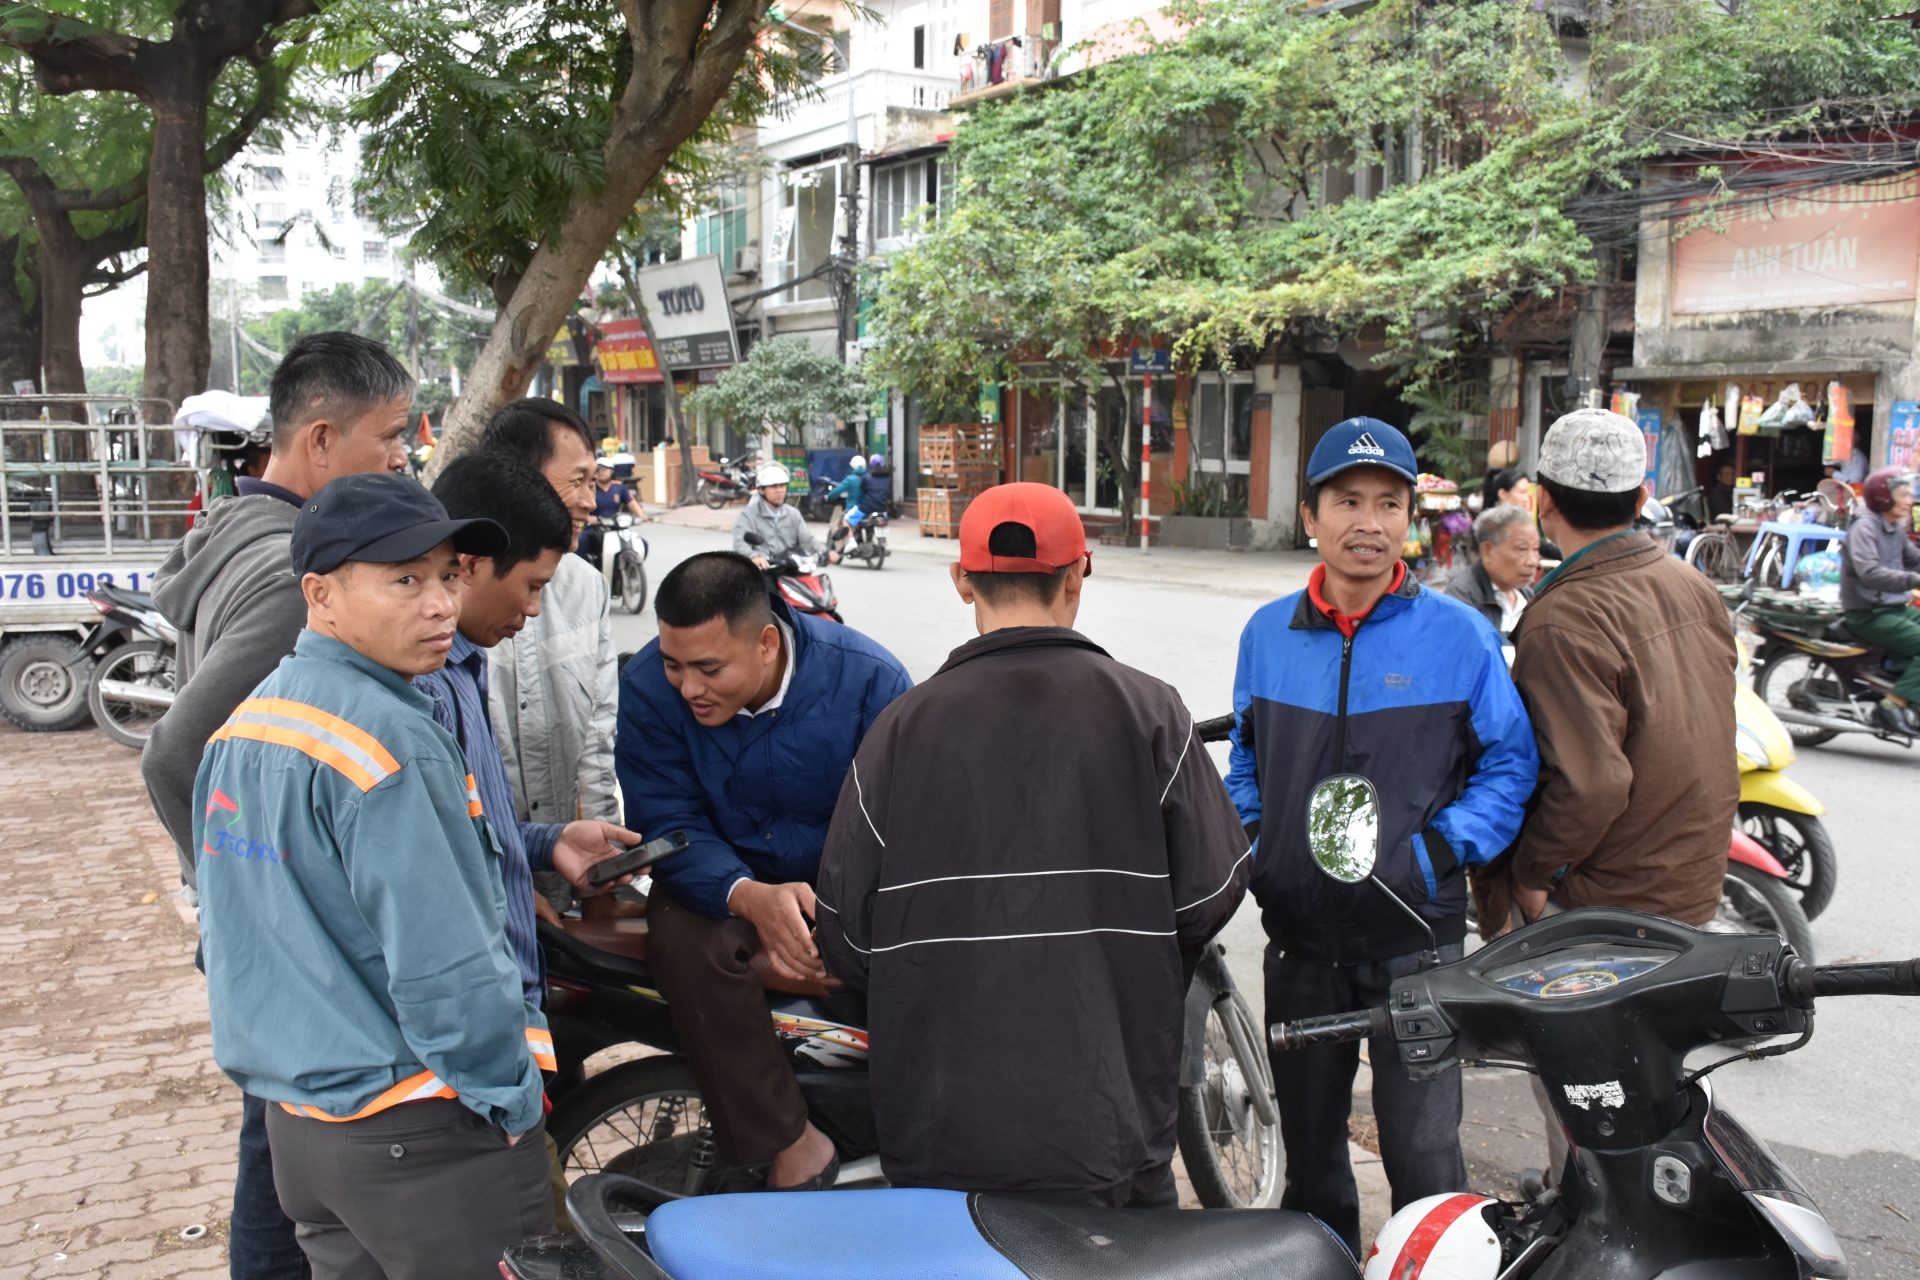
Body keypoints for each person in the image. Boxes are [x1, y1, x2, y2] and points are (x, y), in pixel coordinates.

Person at [816, 484, 1251, 1206]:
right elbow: (1212, 890)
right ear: (1079, 571)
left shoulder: (901, 728)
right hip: (1107, 1116)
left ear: (962, 579)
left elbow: (848, 933)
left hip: (943, 1124)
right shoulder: (1149, 711)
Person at [194, 473, 553, 1278]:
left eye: (446, 575)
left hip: (303, 1136)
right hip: (417, 1135)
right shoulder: (391, 741)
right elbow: (449, 969)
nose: (440, 605)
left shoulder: (247, 726)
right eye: (404, 580)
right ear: (319, 594)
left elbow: (228, 940)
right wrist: (513, 1100)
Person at [1226, 417, 1538, 1257]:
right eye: (1348, 501)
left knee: (1426, 1161)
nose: (1369, 521)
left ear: (1411, 519)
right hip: (1300, 947)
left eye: (1390, 503)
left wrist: (1437, 852)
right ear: (1310, 517)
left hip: (1416, 945)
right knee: (1315, 1162)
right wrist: (1261, 844)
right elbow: (1247, 761)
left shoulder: (1459, 636)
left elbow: (1510, 766)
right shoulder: (1266, 635)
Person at [143, 331, 413, 1280]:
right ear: (324, 440)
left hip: (271, 927)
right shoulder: (293, 571)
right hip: (287, 934)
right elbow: (181, 753)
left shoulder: (239, 528)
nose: (402, 458)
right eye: (392, 437)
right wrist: (245, 897)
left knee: (282, 1146)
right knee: (284, 1159)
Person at [1471, 408, 1738, 1194]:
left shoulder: (1564, 616)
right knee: (1649, 1073)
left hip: (1604, 901)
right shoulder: (1693, 585)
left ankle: (1591, 1215)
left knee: (1579, 1080)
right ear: (1644, 495)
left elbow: (1591, 783)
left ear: (1543, 503)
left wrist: (1534, 878)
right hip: (1685, 881)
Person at [616, 552, 911, 1189]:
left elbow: (908, 827)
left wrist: (835, 934)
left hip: (845, 898)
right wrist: (747, 897)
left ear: (767, 643)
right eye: (674, 664)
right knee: (685, 941)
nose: (688, 687)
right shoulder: (647, 689)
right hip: (714, 891)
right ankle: (790, 1143)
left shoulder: (869, 680)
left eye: (708, 668)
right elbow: (666, 824)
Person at [416, 453, 641, 1012]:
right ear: (468, 565)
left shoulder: (464, 665)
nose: (537, 610)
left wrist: (544, 844)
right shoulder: (421, 693)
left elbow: (475, 828)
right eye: (532, 586)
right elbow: (434, 878)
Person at [476, 401, 622, 913]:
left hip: (565, 880)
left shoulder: (588, 588)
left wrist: (606, 871)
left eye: (592, 483)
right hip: (480, 888)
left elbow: (597, 743)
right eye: (576, 481)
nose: (590, 502)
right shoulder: (447, 603)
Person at [1839, 467, 1920, 735]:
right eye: (1904, 494)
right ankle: (1892, 704)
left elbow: (1913, 559)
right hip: (1870, 614)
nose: (1911, 499)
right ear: (1885, 497)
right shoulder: (1865, 528)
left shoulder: (1894, 526)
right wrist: (1913, 581)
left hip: (1895, 608)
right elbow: (1871, 573)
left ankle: (1900, 678)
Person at [1445, 504, 1539, 638]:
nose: (1533, 561)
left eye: (1535, 549)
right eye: (1521, 549)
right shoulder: (1462, 598)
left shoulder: (1529, 598)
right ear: (1487, 551)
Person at [733, 463, 838, 567]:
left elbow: (807, 539)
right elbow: (740, 543)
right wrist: (753, 557)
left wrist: (825, 552)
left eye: (782, 486)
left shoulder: (793, 514)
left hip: (791, 566)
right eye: (773, 486)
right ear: (761, 490)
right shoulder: (748, 515)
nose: (779, 490)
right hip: (764, 569)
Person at [823, 455, 868, 551]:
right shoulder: (867, 478)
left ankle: (842, 548)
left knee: (837, 524)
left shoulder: (850, 479)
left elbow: (838, 489)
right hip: (866, 509)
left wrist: (828, 496)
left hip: (852, 508)